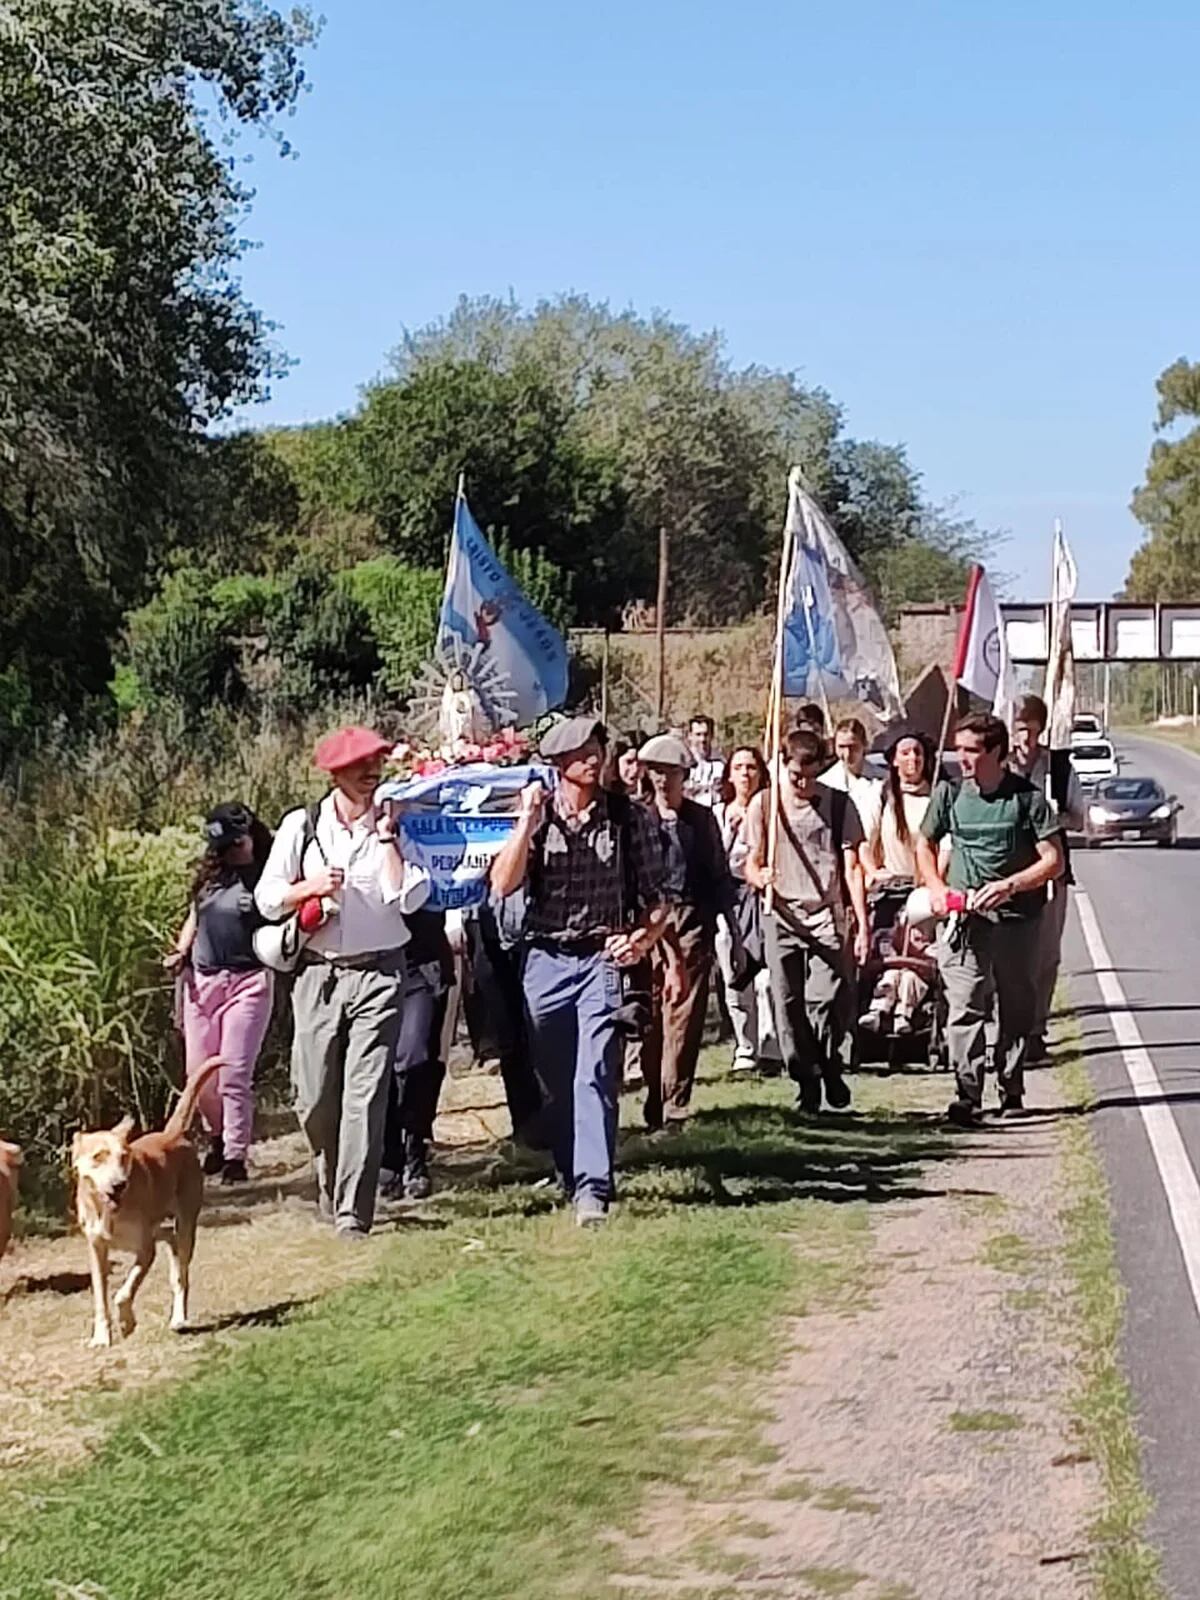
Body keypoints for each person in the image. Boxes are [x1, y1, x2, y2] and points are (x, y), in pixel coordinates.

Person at [489, 715, 669, 1225]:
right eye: (581, 750)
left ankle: (593, 1188)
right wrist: (525, 823)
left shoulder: (627, 817)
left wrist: (643, 938)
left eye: (597, 747)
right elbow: (501, 886)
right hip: (543, 960)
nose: (594, 757)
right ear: (558, 763)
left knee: (596, 1071)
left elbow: (660, 900)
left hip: (600, 959)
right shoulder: (537, 817)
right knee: (556, 1079)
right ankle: (572, 1171)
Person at [256, 726, 431, 1239]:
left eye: (376, 763)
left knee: (366, 1094)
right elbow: (267, 900)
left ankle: (354, 1211)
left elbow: (412, 898)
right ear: (334, 774)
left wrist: (389, 841)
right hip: (316, 975)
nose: (370, 773)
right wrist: (308, 887)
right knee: (313, 1096)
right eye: (359, 766)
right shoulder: (301, 826)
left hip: (380, 972)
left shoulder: (397, 824)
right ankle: (332, 1185)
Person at [916, 712, 1064, 1127]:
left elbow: (1053, 860)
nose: (962, 758)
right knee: (964, 1004)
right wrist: (935, 887)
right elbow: (924, 843)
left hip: (1017, 919)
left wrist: (1012, 885)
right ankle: (967, 1094)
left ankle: (1011, 1086)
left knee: (1016, 1006)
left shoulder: (1026, 799)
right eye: (959, 749)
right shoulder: (948, 795)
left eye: (972, 751)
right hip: (965, 921)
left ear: (996, 753)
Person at [744, 728, 870, 1113]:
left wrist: (861, 924)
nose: (803, 784)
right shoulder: (765, 806)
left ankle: (829, 1063)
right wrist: (759, 875)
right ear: (783, 764)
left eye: (811, 775)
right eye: (796, 775)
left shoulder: (837, 805)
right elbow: (751, 859)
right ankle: (807, 1079)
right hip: (780, 914)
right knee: (787, 1002)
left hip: (826, 915)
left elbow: (852, 868)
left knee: (829, 998)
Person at [165, 803, 275, 1185]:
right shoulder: (210, 876)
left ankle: (235, 1154)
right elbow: (194, 917)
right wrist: (181, 952)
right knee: (199, 1074)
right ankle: (215, 1137)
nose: (229, 850)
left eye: (235, 842)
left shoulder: (268, 875)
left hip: (248, 982)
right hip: (201, 982)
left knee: (233, 1071)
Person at [638, 733, 737, 1130]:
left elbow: (718, 876)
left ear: (684, 775)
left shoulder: (701, 820)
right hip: (646, 924)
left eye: (671, 772)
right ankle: (653, 1092)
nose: (663, 780)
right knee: (649, 1014)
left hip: (691, 919)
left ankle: (675, 1101)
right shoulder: (637, 818)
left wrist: (731, 927)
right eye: (656, 772)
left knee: (684, 1015)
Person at [1009, 693, 1085, 1066]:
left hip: (1051, 873)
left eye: (1030, 730)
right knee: (1006, 958)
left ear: (1040, 729)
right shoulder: (999, 766)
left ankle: (1037, 1029)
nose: (1024, 738)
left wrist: (1053, 819)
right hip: (1006, 872)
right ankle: (1008, 1029)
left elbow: (1079, 818)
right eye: (1019, 729)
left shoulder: (1058, 767)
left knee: (1045, 956)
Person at [857, 733, 937, 1035]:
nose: (913, 759)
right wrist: (873, 871)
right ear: (894, 759)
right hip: (889, 890)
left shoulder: (938, 796)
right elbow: (864, 842)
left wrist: (932, 882)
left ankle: (906, 1007)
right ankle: (883, 1001)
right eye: (905, 753)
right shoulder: (882, 796)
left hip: (924, 893)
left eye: (918, 752)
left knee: (917, 952)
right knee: (889, 949)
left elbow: (945, 848)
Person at [379, 907, 454, 1200]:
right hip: (375, 964)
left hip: (423, 964)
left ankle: (415, 1149)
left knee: (417, 1058)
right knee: (379, 1063)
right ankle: (389, 1156)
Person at [714, 746, 779, 1071]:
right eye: (738, 767)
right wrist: (731, 830)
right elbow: (714, 862)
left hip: (764, 896)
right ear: (729, 774)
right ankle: (745, 1046)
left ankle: (770, 1043)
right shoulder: (718, 813)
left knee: (766, 976)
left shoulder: (772, 810)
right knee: (735, 973)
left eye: (751, 767)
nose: (745, 773)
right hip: (730, 897)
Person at [822, 717, 884, 843]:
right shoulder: (826, 782)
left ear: (864, 745)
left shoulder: (884, 780)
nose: (847, 753)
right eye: (842, 747)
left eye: (853, 747)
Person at [684, 714, 725, 808]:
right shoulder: (682, 764)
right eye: (698, 734)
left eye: (706, 734)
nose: (702, 739)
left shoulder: (720, 765)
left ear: (712, 736)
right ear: (690, 736)